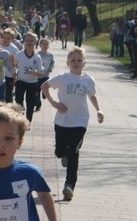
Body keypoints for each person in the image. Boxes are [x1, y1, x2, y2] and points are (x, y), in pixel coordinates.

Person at [41, 47, 104, 201]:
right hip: (62, 120)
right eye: (73, 60)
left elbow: (92, 96)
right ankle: (64, 154)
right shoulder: (62, 78)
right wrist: (54, 103)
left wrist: (99, 110)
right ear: (68, 63)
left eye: (79, 60)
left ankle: (69, 185)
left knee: (73, 150)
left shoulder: (88, 80)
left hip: (80, 120)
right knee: (59, 151)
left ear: (84, 63)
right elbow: (44, 86)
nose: (76, 62)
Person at [13, 32, 44, 122]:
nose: (29, 42)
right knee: (18, 100)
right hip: (20, 81)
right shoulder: (18, 54)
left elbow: (41, 73)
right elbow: (14, 66)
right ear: (24, 42)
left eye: (32, 40)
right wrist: (14, 72)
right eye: (27, 40)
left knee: (30, 103)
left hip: (32, 83)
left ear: (35, 42)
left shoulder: (37, 57)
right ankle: (20, 118)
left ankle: (28, 121)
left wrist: (33, 72)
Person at [34, 37, 54, 112]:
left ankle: (44, 93)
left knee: (45, 87)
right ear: (40, 45)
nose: (45, 45)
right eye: (43, 44)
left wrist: (51, 67)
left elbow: (52, 62)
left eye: (47, 44)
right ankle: (38, 104)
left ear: (48, 46)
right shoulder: (37, 54)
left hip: (46, 75)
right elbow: (34, 63)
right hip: (38, 76)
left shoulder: (50, 55)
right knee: (37, 91)